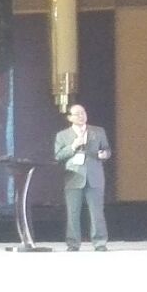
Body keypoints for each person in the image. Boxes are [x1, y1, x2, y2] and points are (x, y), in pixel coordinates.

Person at [56, 103, 111, 251]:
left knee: (97, 212)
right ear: (70, 118)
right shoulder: (62, 135)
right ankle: (73, 243)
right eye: (77, 114)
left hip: (95, 175)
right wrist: (73, 146)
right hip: (74, 177)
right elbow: (58, 155)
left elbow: (106, 149)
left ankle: (100, 242)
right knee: (73, 212)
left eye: (83, 112)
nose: (81, 116)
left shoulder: (98, 131)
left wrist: (104, 154)